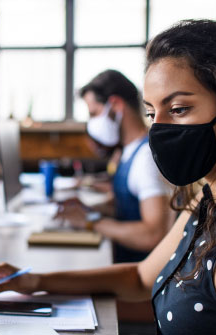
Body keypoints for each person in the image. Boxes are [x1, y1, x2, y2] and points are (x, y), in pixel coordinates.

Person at [0, 20, 216, 334]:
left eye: (180, 109)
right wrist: (32, 279)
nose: (159, 130)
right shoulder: (211, 199)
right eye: (153, 113)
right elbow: (140, 277)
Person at [56, 69, 175, 263]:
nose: (92, 122)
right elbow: (127, 207)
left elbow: (153, 233)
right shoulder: (129, 151)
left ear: (116, 105)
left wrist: (90, 222)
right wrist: (89, 210)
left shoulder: (146, 158)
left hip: (138, 276)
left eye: (94, 113)